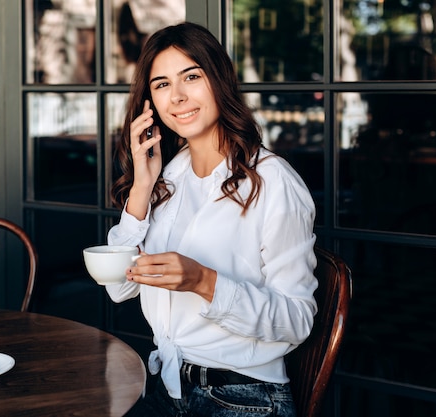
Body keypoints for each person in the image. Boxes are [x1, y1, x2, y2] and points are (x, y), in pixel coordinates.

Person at [106, 22, 317, 417]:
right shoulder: (168, 178)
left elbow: (298, 321)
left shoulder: (273, 181)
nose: (179, 96)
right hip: (167, 389)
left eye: (192, 76)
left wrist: (204, 282)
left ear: (219, 79)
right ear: (149, 101)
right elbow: (119, 289)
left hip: (244, 397)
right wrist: (141, 187)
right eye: (162, 84)